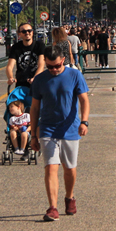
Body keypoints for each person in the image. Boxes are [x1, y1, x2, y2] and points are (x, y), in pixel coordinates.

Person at [30, 47, 89, 221]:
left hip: (70, 128)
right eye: (50, 67)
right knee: (50, 167)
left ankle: (69, 197)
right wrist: (33, 134)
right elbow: (34, 108)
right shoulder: (40, 80)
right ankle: (52, 208)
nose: (54, 70)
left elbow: (84, 100)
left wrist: (84, 121)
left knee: (69, 168)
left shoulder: (74, 75)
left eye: (56, 66)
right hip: (47, 128)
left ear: (63, 60)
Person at [6, 21, 46, 91]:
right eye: (24, 31)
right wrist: (10, 77)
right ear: (19, 34)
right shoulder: (16, 47)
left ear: (32, 32)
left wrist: (35, 78)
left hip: (37, 82)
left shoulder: (39, 45)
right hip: (21, 84)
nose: (27, 33)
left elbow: (41, 65)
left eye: (29, 31)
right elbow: (9, 66)